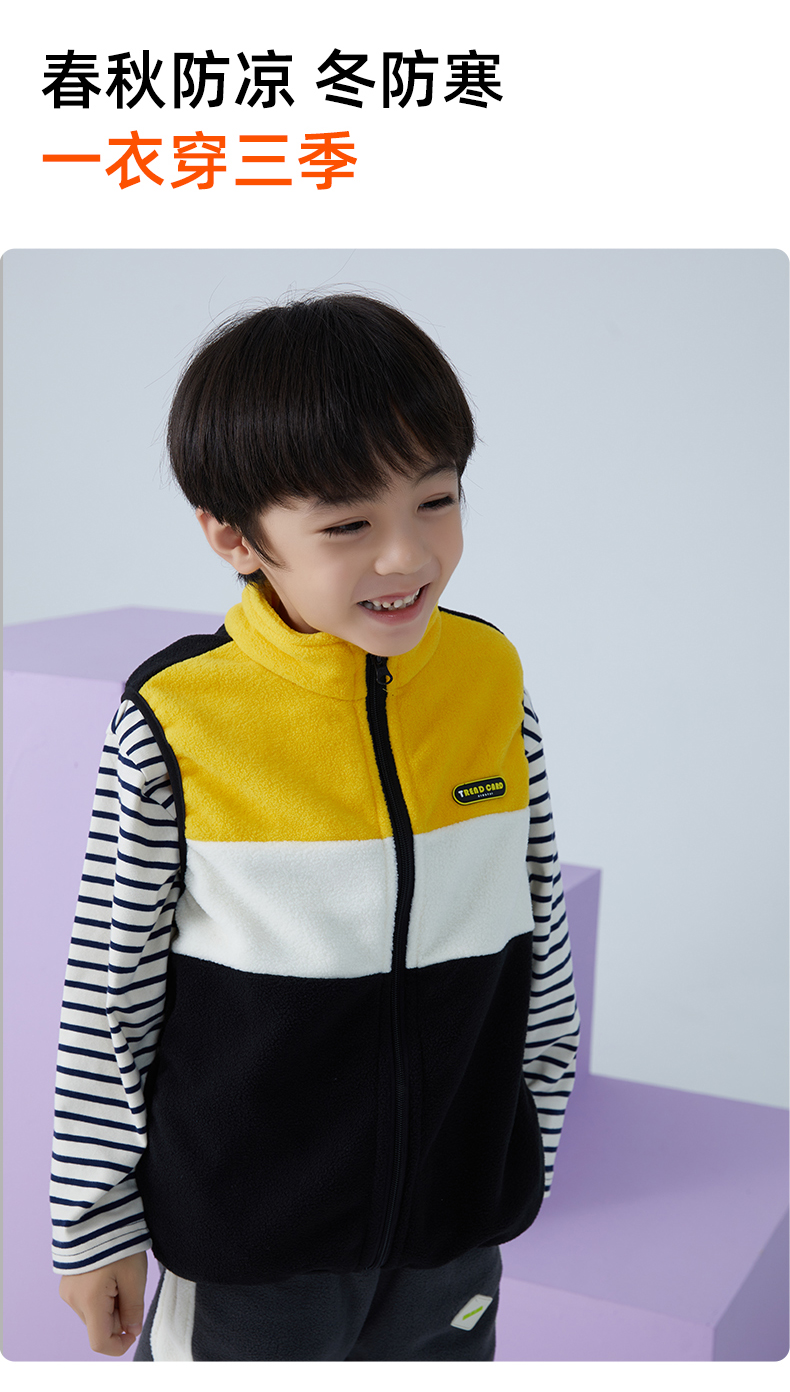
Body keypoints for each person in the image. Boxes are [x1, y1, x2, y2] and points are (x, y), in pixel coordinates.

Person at [52, 293, 580, 1361]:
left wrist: (526, 1136)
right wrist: (94, 1225)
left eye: (435, 500)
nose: (406, 556)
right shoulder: (178, 719)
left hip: (453, 1227)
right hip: (251, 1247)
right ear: (233, 535)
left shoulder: (489, 679)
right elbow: (112, 990)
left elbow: (539, 930)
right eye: (347, 525)